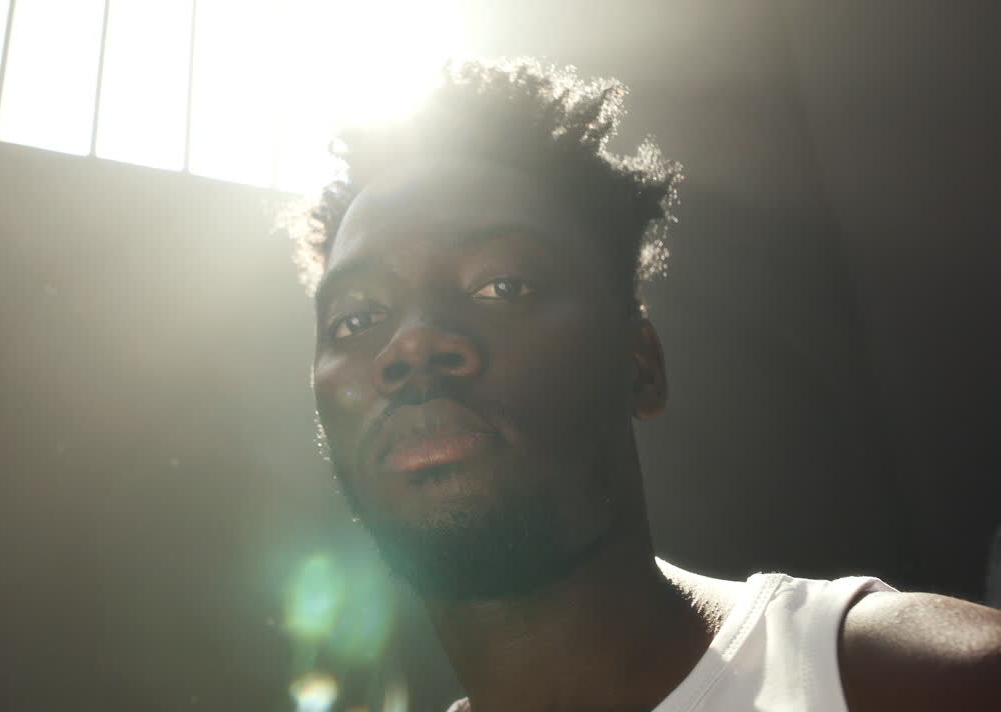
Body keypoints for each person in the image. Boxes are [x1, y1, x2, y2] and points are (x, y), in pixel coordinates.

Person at [287, 59, 1001, 711]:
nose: (410, 343)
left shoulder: (916, 679)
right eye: (356, 320)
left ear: (640, 364)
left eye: (503, 284)